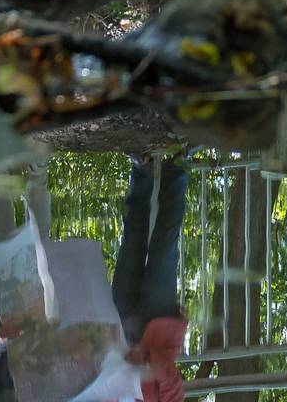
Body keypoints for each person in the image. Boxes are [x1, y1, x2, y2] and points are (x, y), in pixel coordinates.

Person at [110, 155, 189, 402]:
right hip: (160, 324)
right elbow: (174, 386)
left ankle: (141, 168)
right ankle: (178, 165)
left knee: (131, 241)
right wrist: (148, 365)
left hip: (121, 324)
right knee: (165, 245)